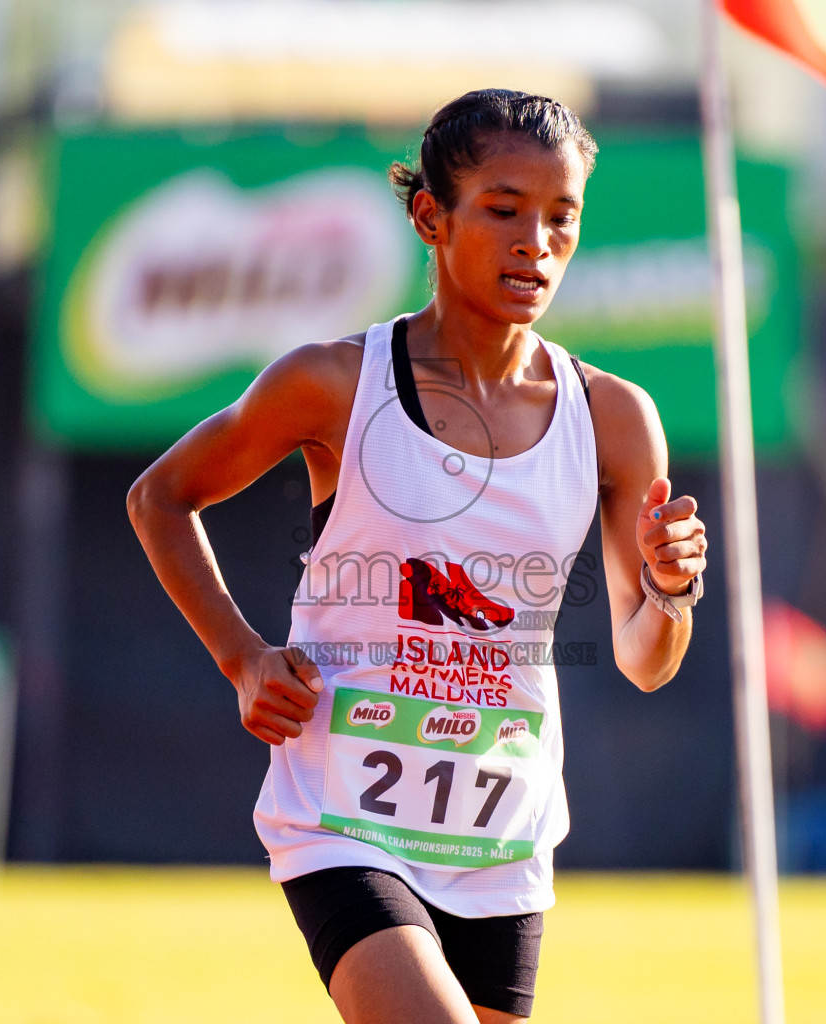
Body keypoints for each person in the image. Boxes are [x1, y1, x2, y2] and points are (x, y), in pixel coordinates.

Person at [128, 89, 707, 1024]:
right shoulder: (333, 382)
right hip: (345, 817)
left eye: (562, 218)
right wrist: (242, 657)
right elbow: (159, 496)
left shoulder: (613, 418)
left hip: (499, 837)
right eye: (505, 210)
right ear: (430, 216)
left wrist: (672, 594)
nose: (537, 244)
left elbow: (644, 660)